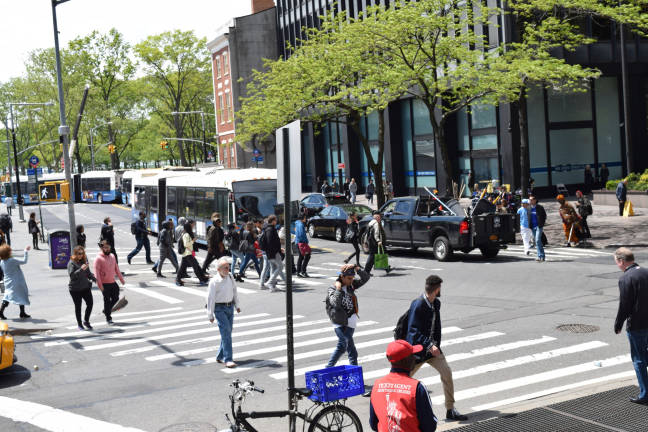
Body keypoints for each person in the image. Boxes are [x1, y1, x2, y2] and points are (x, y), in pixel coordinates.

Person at [406, 275, 468, 421]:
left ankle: (450, 409)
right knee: (401, 379)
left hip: (433, 351)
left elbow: (436, 326)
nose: (441, 290)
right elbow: (412, 331)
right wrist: (428, 345)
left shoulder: (436, 303)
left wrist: (435, 345)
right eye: (440, 287)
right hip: (418, 351)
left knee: (446, 373)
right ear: (437, 289)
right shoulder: (418, 304)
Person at [369, 340, 437, 432]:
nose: (415, 358)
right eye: (412, 355)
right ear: (405, 360)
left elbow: (373, 424)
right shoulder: (417, 388)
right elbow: (430, 426)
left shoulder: (376, 386)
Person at [613, 248, 648, 405]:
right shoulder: (646, 272)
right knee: (644, 354)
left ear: (621, 261)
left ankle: (645, 394)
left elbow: (625, 305)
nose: (617, 265)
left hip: (638, 324)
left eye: (616, 262)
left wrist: (618, 323)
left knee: (639, 359)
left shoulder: (626, 278)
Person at [325, 264, 370, 368]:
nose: (351, 280)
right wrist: (338, 289)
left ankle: (350, 372)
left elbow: (366, 278)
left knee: (345, 346)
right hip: (339, 321)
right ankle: (329, 368)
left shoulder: (351, 285)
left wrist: (357, 269)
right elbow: (335, 304)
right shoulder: (332, 289)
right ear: (342, 277)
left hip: (351, 320)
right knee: (344, 344)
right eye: (349, 278)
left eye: (352, 278)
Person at [206, 257, 241, 368]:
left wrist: (237, 305)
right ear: (219, 269)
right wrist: (210, 314)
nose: (228, 270)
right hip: (219, 309)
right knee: (226, 332)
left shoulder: (230, 277)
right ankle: (228, 359)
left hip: (230, 307)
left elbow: (234, 291)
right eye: (225, 268)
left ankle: (220, 355)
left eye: (228, 267)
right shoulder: (214, 281)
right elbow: (210, 298)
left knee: (227, 332)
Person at [94, 240, 125, 325]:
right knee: (107, 300)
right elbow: (96, 274)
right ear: (102, 248)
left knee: (116, 298)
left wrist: (121, 279)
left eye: (108, 247)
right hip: (104, 284)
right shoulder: (98, 259)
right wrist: (100, 286)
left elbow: (116, 268)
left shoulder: (112, 256)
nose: (107, 249)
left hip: (112, 282)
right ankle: (108, 317)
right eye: (105, 247)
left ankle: (106, 310)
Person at [67, 246, 96, 330]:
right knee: (78, 307)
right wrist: (81, 269)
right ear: (75, 253)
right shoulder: (71, 262)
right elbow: (72, 276)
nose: (81, 255)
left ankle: (86, 321)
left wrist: (95, 279)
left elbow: (88, 273)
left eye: (82, 253)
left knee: (90, 303)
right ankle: (80, 324)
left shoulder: (84, 261)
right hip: (75, 289)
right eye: (79, 253)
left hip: (85, 287)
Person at [0, 244, 31, 319]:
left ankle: (2, 311)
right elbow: (24, 261)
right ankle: (21, 312)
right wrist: (25, 251)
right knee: (20, 294)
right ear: (8, 252)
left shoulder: (2, 262)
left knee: (7, 296)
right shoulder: (12, 260)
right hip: (16, 281)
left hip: (8, 281)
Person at [176, 220, 209, 287]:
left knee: (182, 268)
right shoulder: (186, 234)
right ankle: (201, 280)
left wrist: (193, 252)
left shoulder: (185, 233)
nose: (192, 227)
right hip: (188, 254)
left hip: (187, 253)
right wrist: (193, 241)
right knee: (195, 267)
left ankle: (178, 280)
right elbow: (186, 244)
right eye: (190, 227)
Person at [259, 215, 284, 292]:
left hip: (271, 252)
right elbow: (270, 242)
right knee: (280, 267)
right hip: (273, 252)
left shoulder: (269, 228)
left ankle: (272, 286)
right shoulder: (270, 229)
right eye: (275, 220)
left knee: (273, 268)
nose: (276, 222)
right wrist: (276, 250)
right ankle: (270, 282)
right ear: (273, 221)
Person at [365, 211, 391, 275]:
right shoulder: (376, 223)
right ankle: (366, 271)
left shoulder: (371, 222)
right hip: (375, 243)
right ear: (377, 217)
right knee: (372, 256)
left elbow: (367, 233)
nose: (380, 218)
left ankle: (386, 267)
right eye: (379, 217)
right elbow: (376, 234)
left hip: (371, 242)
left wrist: (365, 241)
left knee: (381, 253)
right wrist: (378, 241)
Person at [529, 195, 546, 262]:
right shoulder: (529, 208)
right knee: (538, 242)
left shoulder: (540, 207)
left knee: (537, 240)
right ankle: (541, 256)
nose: (530, 201)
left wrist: (542, 223)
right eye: (529, 200)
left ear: (535, 200)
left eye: (531, 199)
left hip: (539, 226)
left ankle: (541, 256)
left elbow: (544, 216)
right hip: (533, 227)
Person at [294, 213, 311, 278]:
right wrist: (305, 241)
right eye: (305, 217)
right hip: (302, 243)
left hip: (298, 242)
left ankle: (299, 272)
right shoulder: (301, 224)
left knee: (301, 257)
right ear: (302, 218)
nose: (306, 219)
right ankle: (302, 271)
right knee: (307, 256)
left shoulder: (297, 223)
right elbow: (301, 234)